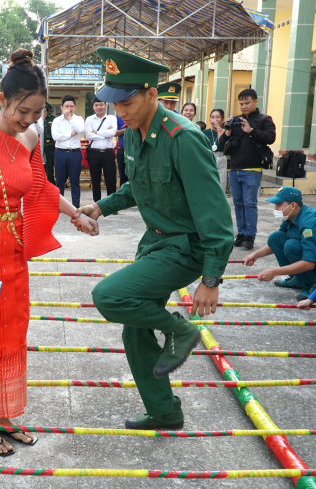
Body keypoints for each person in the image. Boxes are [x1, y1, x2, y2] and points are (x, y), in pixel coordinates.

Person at [77, 47, 233, 431]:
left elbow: (215, 216)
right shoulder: (132, 134)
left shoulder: (183, 138)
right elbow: (137, 185)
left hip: (187, 247)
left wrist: (210, 280)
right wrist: (101, 207)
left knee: (110, 296)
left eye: (127, 102)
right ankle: (164, 410)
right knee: (135, 330)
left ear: (151, 94)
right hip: (157, 244)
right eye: (115, 104)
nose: (121, 111)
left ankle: (180, 330)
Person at [0, 48, 98, 456]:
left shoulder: (31, 137)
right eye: (23, 111)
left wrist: (74, 215)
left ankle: (1, 414)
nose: (29, 120)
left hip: (12, 248)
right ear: (2, 100)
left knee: (13, 329)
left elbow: (40, 188)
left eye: (37, 113)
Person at [243, 186, 316, 300]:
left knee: (291, 246)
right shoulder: (290, 216)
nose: (276, 208)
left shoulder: (309, 224)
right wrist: (255, 255)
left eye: (279, 205)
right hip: (312, 257)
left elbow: (309, 263)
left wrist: (274, 272)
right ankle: (299, 279)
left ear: (293, 205)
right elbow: (277, 242)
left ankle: (311, 284)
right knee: (275, 238)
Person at [218, 89, 277, 251]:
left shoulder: (264, 119)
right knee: (237, 203)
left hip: (252, 169)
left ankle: (250, 235)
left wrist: (251, 130)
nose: (244, 106)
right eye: (241, 103)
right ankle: (241, 234)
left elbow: (270, 138)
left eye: (247, 103)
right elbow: (223, 143)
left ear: (256, 101)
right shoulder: (236, 120)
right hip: (235, 168)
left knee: (249, 203)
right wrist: (228, 129)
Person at [52, 95, 85, 207]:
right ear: (62, 107)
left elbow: (81, 129)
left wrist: (70, 119)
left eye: (71, 106)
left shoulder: (78, 119)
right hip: (60, 152)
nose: (69, 109)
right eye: (66, 106)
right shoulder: (56, 120)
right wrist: (70, 134)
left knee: (75, 181)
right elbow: (55, 136)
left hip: (74, 153)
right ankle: (59, 206)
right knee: (59, 181)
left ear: (75, 107)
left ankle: (76, 206)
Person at [85, 97, 118, 202]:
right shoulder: (89, 119)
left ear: (106, 105)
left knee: (111, 179)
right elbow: (89, 135)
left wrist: (97, 132)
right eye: (96, 105)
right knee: (95, 179)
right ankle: (97, 204)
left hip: (108, 153)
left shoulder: (112, 118)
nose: (99, 107)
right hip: (94, 153)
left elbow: (113, 132)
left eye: (101, 105)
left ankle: (111, 205)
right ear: (93, 107)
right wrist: (105, 133)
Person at [203, 108, 227, 190]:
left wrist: (218, 128)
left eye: (218, 117)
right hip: (209, 159)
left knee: (221, 186)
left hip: (221, 159)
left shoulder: (226, 132)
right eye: (212, 117)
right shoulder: (205, 133)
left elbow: (222, 143)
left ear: (222, 119)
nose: (215, 119)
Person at [39, 102, 56, 184]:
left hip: (50, 144)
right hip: (39, 144)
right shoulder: (38, 119)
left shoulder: (53, 119)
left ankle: (50, 182)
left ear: (45, 109)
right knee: (39, 164)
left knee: (50, 164)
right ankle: (40, 182)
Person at [115, 114, 128, 185]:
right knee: (123, 176)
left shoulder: (137, 116)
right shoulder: (119, 117)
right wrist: (126, 130)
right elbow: (114, 132)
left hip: (135, 150)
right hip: (122, 150)